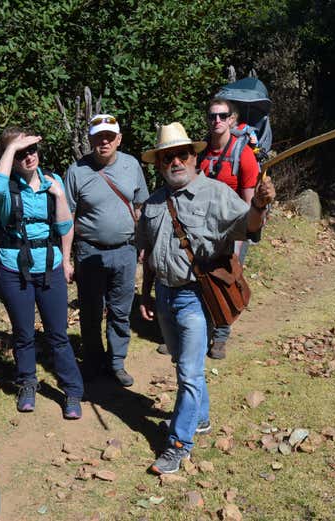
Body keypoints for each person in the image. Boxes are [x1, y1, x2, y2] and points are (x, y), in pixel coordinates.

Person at [137, 122, 275, 474]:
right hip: (164, 296)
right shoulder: (153, 203)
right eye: (168, 157)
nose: (176, 162)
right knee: (185, 366)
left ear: (193, 157)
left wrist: (259, 205)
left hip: (196, 298)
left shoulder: (215, 194)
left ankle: (178, 445)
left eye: (182, 154)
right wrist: (146, 293)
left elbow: (250, 226)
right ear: (159, 164)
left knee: (188, 373)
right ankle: (201, 419)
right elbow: (151, 253)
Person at [0, 128, 85, 419]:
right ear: (11, 159)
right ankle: (27, 383)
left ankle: (72, 392)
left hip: (51, 266)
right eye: (21, 153)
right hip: (13, 268)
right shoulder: (7, 189)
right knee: (24, 334)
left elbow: (66, 227)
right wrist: (10, 147)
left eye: (32, 150)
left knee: (58, 335)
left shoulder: (53, 183)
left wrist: (66, 261)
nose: (29, 157)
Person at [63, 114, 149, 386]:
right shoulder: (76, 171)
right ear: (90, 139)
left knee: (121, 310)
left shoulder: (132, 165)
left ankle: (116, 361)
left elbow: (139, 207)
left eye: (109, 136)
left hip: (125, 250)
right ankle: (93, 360)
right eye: (98, 136)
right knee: (90, 311)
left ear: (119, 139)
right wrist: (66, 259)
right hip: (89, 252)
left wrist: (143, 241)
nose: (104, 141)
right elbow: (68, 218)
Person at [197, 97, 262, 360]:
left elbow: (248, 203)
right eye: (212, 116)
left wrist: (243, 235)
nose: (217, 121)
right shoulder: (200, 152)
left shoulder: (242, 154)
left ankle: (220, 336)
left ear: (232, 119)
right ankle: (198, 332)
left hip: (232, 229)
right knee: (200, 280)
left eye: (222, 116)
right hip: (203, 229)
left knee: (225, 280)